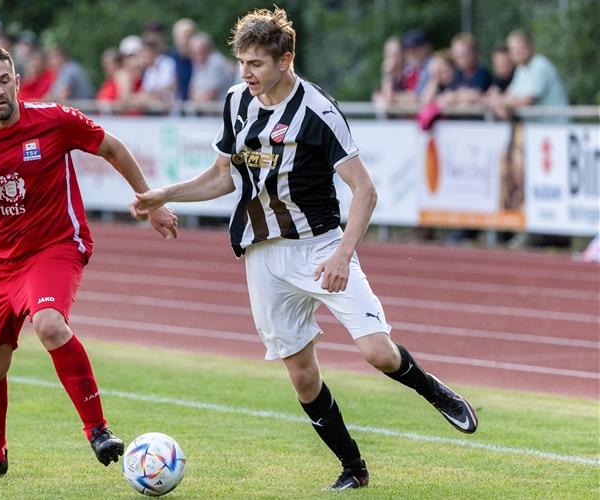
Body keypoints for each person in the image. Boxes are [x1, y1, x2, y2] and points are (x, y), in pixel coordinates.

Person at [132, 7, 477, 491]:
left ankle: (435, 391)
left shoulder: (317, 111)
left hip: (320, 247)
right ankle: (353, 469)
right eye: (241, 63)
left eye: (256, 63)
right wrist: (165, 194)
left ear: (285, 59)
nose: (246, 73)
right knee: (301, 375)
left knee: (377, 353)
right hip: (263, 255)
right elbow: (222, 176)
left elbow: (366, 190)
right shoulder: (236, 102)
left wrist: (341, 255)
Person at [0, 44, 178, 479]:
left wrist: (151, 202)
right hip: (0, 260)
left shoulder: (55, 118)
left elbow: (111, 147)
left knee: (50, 323)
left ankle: (98, 431)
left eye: (5, 81)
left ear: (17, 82)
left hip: (56, 246)